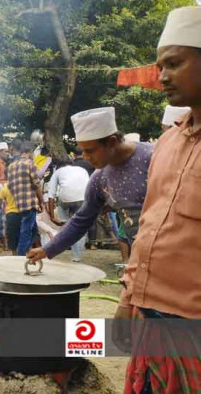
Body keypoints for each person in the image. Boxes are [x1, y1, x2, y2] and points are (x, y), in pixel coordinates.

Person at [117, 8, 201, 392]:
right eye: (160, 65)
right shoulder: (167, 143)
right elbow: (149, 227)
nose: (162, 76)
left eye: (174, 63)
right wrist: (127, 296)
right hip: (149, 318)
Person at [26, 107, 153, 264]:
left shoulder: (153, 157)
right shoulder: (100, 177)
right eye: (83, 151)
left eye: (90, 151)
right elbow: (81, 220)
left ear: (112, 142)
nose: (85, 157)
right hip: (141, 257)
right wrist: (48, 249)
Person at [47, 157, 90, 262]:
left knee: (66, 224)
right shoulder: (82, 170)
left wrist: (52, 216)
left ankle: (65, 228)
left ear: (59, 165)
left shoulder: (58, 172)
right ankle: (77, 255)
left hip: (65, 201)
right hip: (83, 199)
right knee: (81, 226)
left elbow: (51, 195)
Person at [8, 141, 45, 255]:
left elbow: (10, 186)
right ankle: (21, 254)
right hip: (30, 201)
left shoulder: (11, 166)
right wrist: (41, 201)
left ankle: (28, 250)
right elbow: (37, 184)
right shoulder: (30, 163)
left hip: (19, 202)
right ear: (30, 152)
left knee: (33, 229)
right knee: (27, 230)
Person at [0, 184, 19, 255]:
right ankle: (23, 255)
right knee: (23, 235)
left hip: (11, 214)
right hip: (23, 212)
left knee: (12, 236)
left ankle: (15, 255)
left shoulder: (5, 187)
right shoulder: (21, 184)